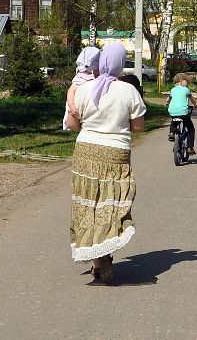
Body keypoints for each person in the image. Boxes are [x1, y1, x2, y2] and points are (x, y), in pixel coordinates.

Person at [67, 42, 145, 284]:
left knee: (89, 204)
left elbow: (72, 125)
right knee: (112, 204)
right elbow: (139, 127)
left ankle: (97, 258)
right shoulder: (129, 91)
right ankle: (104, 255)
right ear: (122, 65)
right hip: (116, 153)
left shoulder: (84, 89)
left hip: (86, 149)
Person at [63, 46, 99, 131]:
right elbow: (71, 91)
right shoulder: (81, 77)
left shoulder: (95, 76)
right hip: (77, 106)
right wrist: (71, 105)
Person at [166, 76, 197, 154]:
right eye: (186, 81)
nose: (187, 83)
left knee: (174, 120)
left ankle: (172, 133)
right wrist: (195, 105)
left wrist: (167, 103)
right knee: (191, 129)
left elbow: (167, 100)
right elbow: (192, 100)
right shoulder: (186, 90)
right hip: (183, 112)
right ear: (181, 81)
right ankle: (190, 147)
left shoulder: (172, 90)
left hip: (172, 111)